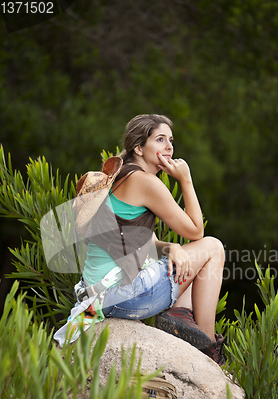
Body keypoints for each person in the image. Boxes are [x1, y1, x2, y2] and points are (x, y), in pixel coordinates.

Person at [54, 114, 225, 365]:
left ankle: (180, 314)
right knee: (213, 247)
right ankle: (209, 349)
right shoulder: (144, 182)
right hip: (121, 294)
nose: (169, 147)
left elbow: (142, 241)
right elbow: (196, 231)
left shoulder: (121, 175)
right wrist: (186, 180)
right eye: (160, 139)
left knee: (193, 259)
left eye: (171, 140)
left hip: (100, 295)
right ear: (139, 147)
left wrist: (171, 247)